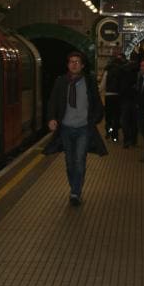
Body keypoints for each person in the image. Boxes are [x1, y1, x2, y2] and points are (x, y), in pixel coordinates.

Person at [45, 50, 107, 204]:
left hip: (83, 128)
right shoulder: (61, 82)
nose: (74, 64)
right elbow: (53, 101)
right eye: (71, 62)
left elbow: (97, 103)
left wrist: (94, 120)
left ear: (82, 65)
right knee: (69, 161)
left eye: (77, 62)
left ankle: (75, 192)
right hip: (66, 128)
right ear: (68, 65)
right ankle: (75, 187)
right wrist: (51, 118)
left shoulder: (89, 81)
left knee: (79, 160)